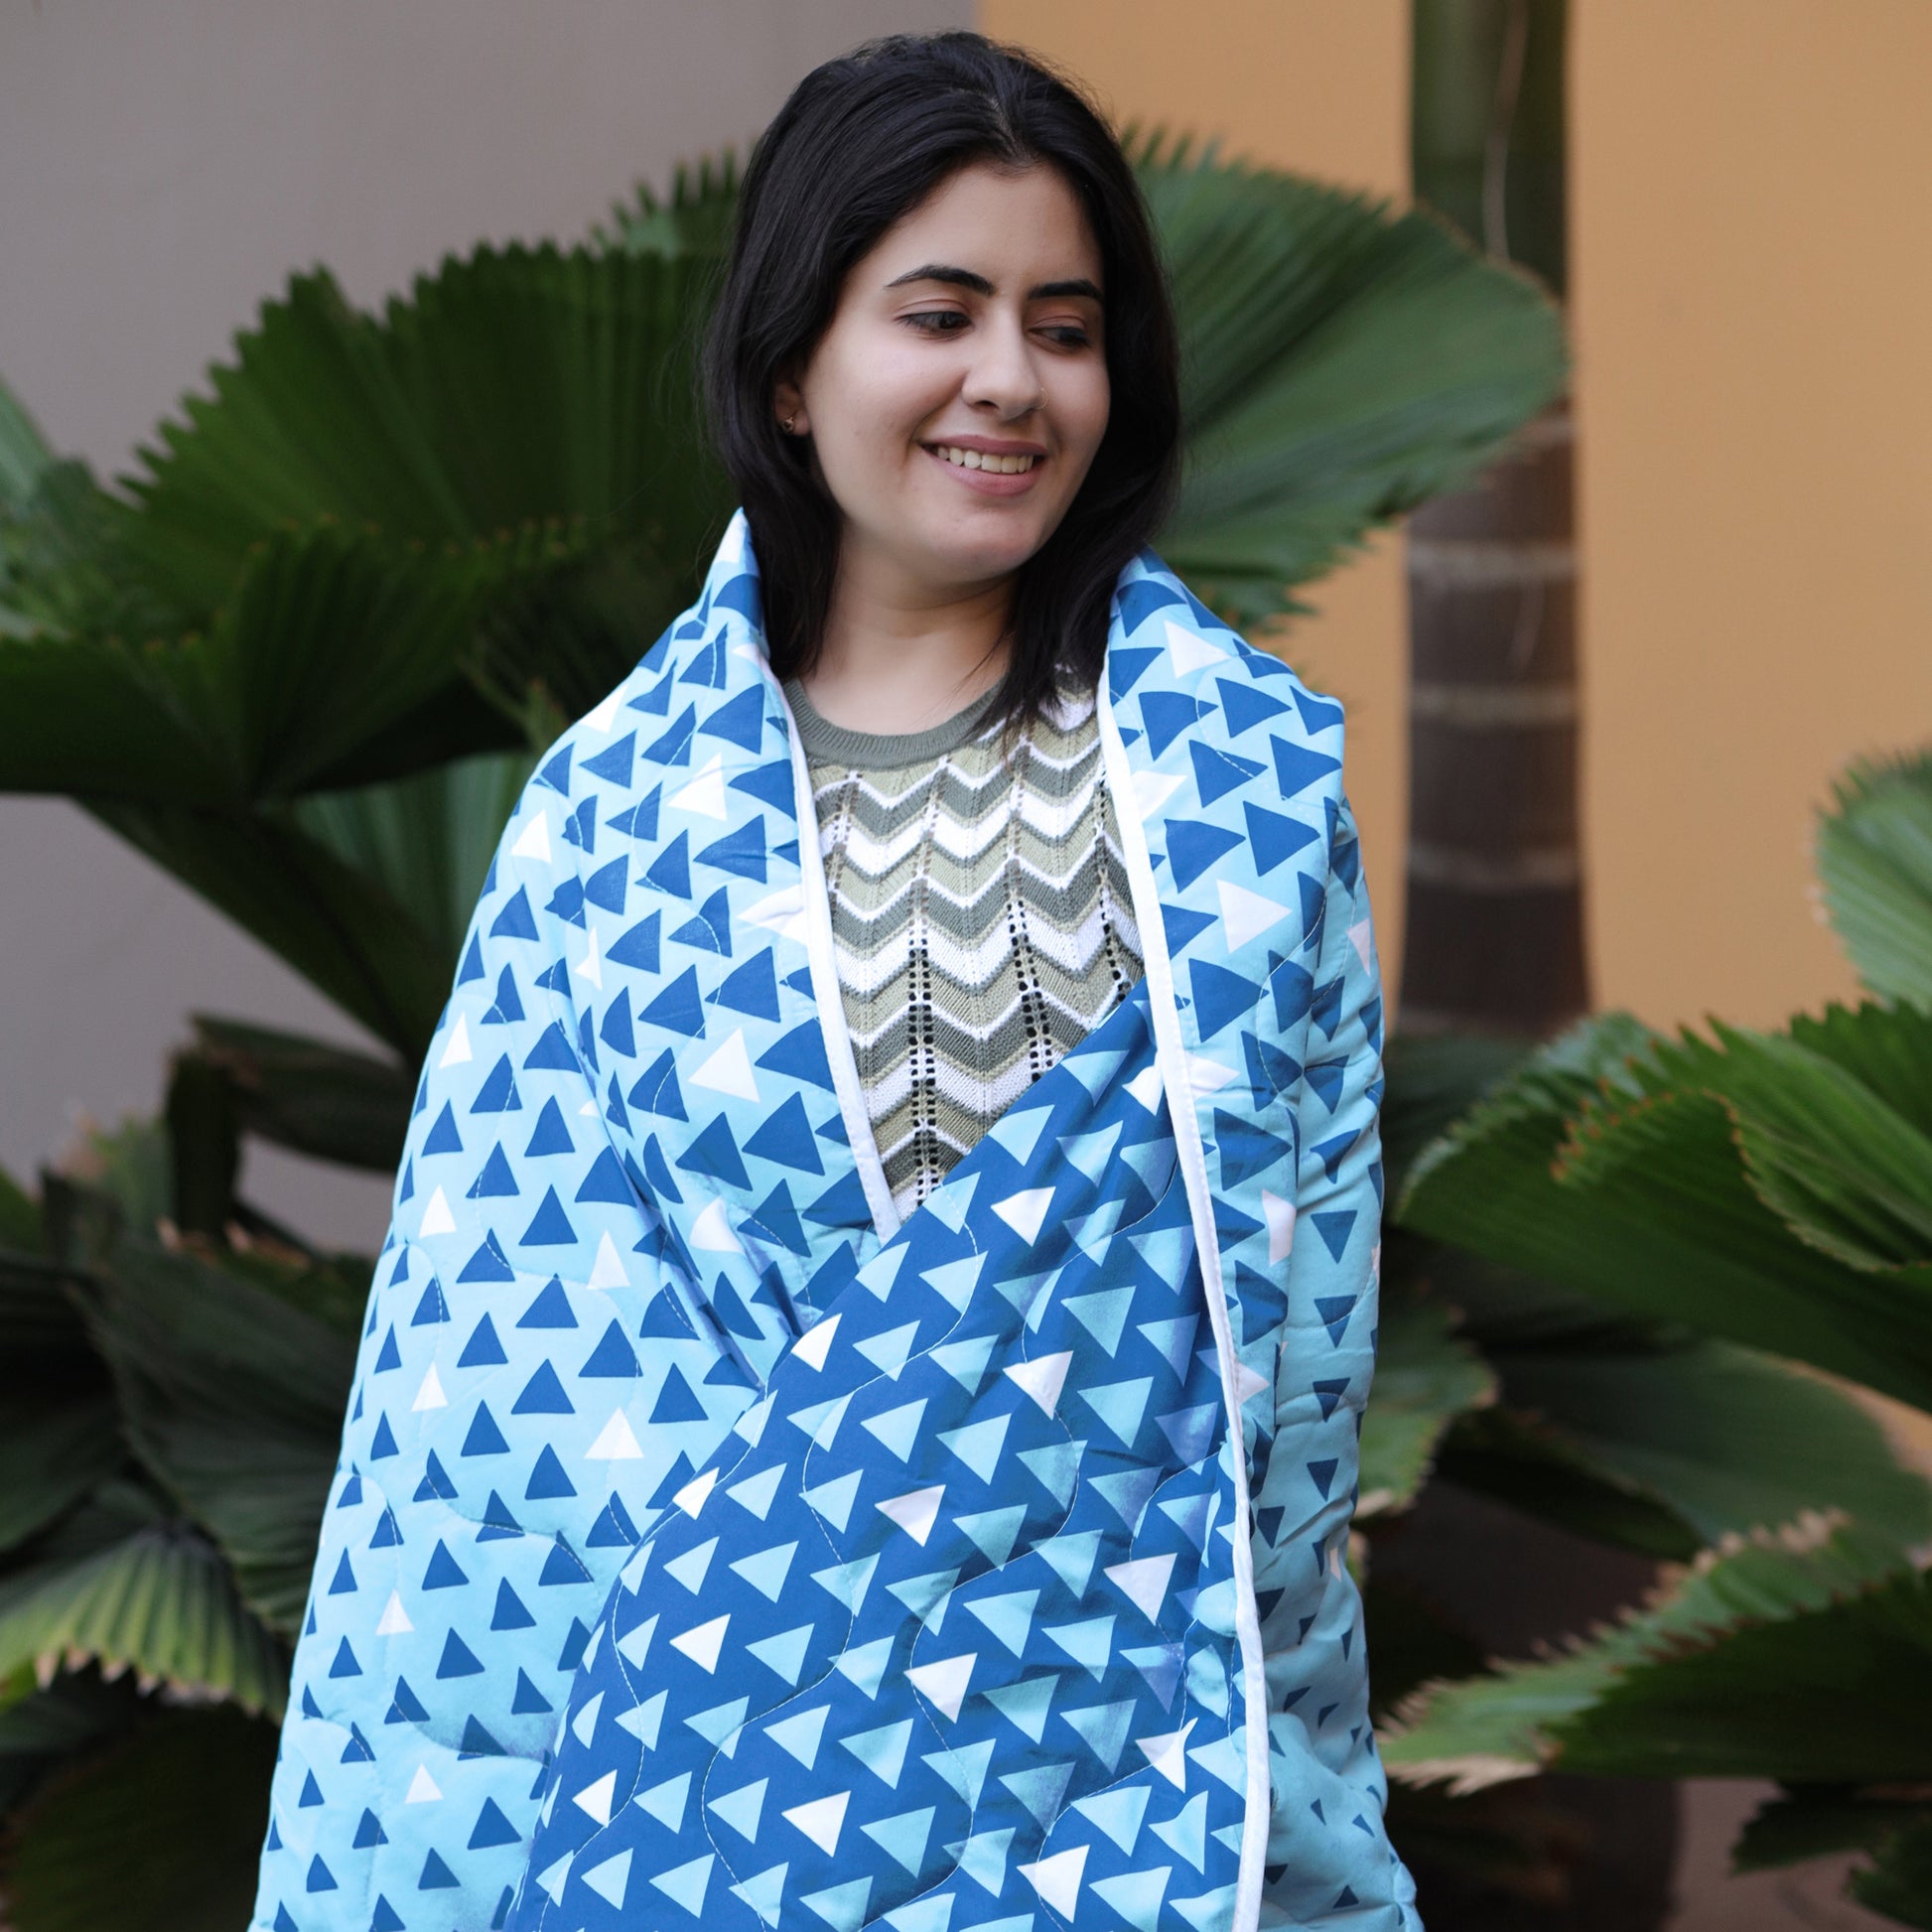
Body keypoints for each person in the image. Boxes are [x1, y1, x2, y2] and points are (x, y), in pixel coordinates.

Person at [250, 30, 1418, 1932]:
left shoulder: (1239, 794)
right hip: (721, 1788)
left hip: (1133, 1775)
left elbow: (1297, 1382)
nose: (1008, 379)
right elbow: (488, 1410)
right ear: (791, 367)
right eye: (938, 313)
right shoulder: (614, 825)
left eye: (1063, 326)